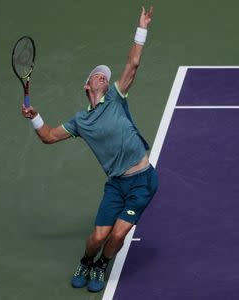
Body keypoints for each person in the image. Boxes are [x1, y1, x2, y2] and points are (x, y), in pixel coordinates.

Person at [21, 6, 157, 293]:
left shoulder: (117, 98)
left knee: (117, 236)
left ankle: (101, 266)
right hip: (116, 184)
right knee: (97, 237)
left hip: (143, 180)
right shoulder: (80, 121)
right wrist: (35, 117)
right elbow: (47, 136)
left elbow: (132, 65)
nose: (104, 77)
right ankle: (86, 260)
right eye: (99, 75)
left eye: (106, 76)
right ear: (87, 85)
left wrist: (141, 29)